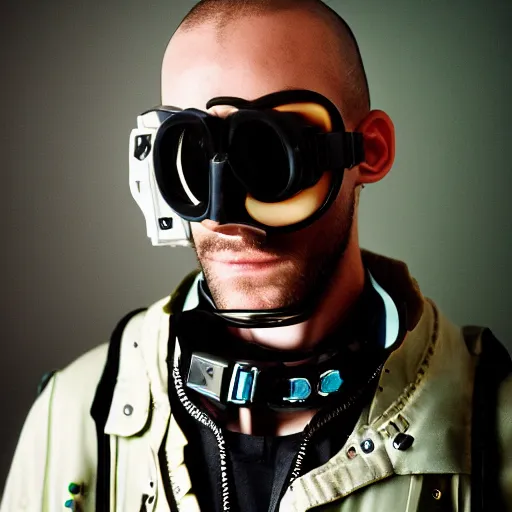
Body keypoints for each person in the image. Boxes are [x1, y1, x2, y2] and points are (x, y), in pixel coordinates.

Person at [2, 0, 511, 511]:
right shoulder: (74, 413)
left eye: (271, 154)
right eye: (191, 156)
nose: (226, 216)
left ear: (369, 151)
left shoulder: (494, 422)